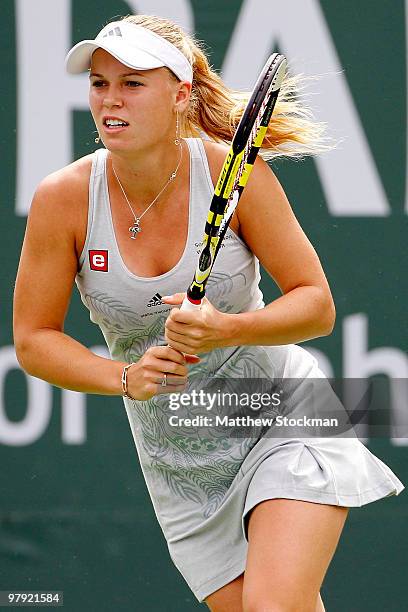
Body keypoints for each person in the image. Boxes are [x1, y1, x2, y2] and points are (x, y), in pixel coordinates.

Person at [13, 14, 404, 612]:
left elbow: (316, 305)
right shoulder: (62, 199)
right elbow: (34, 339)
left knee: (273, 607)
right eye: (99, 83)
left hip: (282, 411)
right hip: (179, 457)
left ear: (180, 94)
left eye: (132, 84)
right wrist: (126, 377)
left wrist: (229, 328)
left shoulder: (232, 173)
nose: (110, 101)